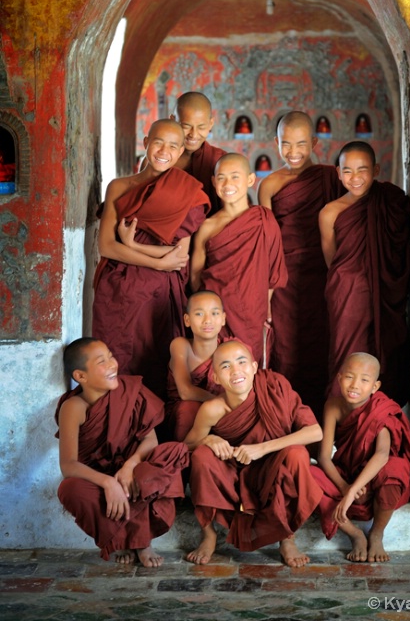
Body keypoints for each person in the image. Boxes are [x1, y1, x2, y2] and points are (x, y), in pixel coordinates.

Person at [92, 119, 209, 398]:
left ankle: (155, 430)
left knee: (156, 358)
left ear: (181, 152)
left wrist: (131, 244)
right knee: (117, 356)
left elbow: (179, 255)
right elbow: (106, 246)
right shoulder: (118, 187)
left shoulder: (187, 192)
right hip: (118, 290)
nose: (163, 151)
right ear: (145, 142)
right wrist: (157, 261)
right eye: (158, 142)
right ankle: (119, 425)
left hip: (159, 294)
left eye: (172, 146)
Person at [184, 340, 323, 566]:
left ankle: (287, 537)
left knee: (297, 454)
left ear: (254, 366)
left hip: (274, 464)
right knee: (201, 455)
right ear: (216, 377)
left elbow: (315, 432)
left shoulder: (275, 387)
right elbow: (187, 443)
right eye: (226, 366)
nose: (236, 370)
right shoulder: (212, 409)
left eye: (241, 362)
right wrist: (209, 439)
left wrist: (263, 448)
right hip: (234, 471)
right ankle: (208, 534)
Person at [55, 337, 190, 566]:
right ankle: (122, 539)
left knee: (173, 453)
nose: (112, 364)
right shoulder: (73, 407)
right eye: (102, 362)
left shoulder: (130, 391)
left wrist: (130, 466)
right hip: (100, 479)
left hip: (134, 471)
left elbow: (151, 440)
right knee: (70, 489)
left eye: (111, 356)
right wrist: (109, 483)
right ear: (80, 376)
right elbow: (68, 466)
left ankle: (141, 540)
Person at [258, 111, 343, 418]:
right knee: (286, 347)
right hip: (284, 279)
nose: (293, 152)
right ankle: (287, 417)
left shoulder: (330, 177)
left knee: (322, 343)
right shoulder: (269, 185)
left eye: (301, 143)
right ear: (276, 143)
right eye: (286, 144)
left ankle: (320, 421)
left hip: (321, 274)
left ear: (314, 142)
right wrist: (266, 293)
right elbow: (267, 242)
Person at [319, 141, 410, 406]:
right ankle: (342, 420)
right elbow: (332, 260)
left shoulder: (390, 201)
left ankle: (379, 418)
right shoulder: (330, 212)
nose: (355, 177)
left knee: (384, 351)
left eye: (363, 170)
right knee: (345, 352)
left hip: (383, 289)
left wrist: (377, 276)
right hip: (347, 292)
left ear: (376, 169)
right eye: (348, 171)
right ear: (338, 173)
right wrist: (351, 281)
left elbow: (399, 245)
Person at [311, 352, 410, 563]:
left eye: (364, 380)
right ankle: (355, 534)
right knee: (307, 474)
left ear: (375, 387)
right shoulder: (332, 405)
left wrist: (351, 492)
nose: (354, 385)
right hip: (346, 472)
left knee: (395, 470)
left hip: (375, 478)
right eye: (349, 377)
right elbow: (323, 456)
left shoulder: (380, 409)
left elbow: (382, 454)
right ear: (339, 378)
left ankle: (376, 533)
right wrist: (344, 487)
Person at [190, 153, 287, 366]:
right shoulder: (207, 226)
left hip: (254, 310)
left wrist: (265, 303)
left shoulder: (264, 218)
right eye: (222, 178)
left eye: (235, 177)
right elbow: (196, 276)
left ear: (250, 180)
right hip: (217, 314)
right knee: (218, 368)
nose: (228, 184)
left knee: (247, 367)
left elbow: (274, 269)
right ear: (214, 182)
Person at [166, 290, 226, 441]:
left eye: (214, 313)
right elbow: (185, 392)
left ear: (223, 319)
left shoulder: (228, 349)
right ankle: (185, 455)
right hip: (184, 415)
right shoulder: (181, 345)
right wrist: (220, 402)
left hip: (220, 415)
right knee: (189, 408)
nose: (207, 320)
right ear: (187, 320)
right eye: (199, 314)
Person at [175, 91, 226, 216]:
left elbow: (233, 212)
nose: (193, 134)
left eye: (201, 127)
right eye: (186, 126)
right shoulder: (160, 159)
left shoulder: (221, 160)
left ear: (211, 124)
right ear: (173, 120)